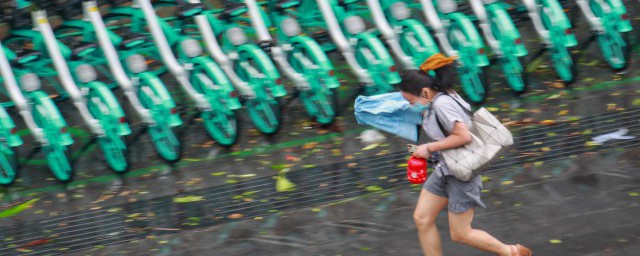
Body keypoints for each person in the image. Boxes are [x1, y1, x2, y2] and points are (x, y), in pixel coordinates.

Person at [398, 53, 532, 256]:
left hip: (461, 174)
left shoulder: (443, 104)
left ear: (425, 92)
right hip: (445, 168)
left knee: (460, 234)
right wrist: (426, 150)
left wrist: (429, 148)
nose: (410, 105)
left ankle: (511, 252)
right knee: (422, 218)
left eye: (410, 100)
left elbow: (463, 136)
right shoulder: (439, 97)